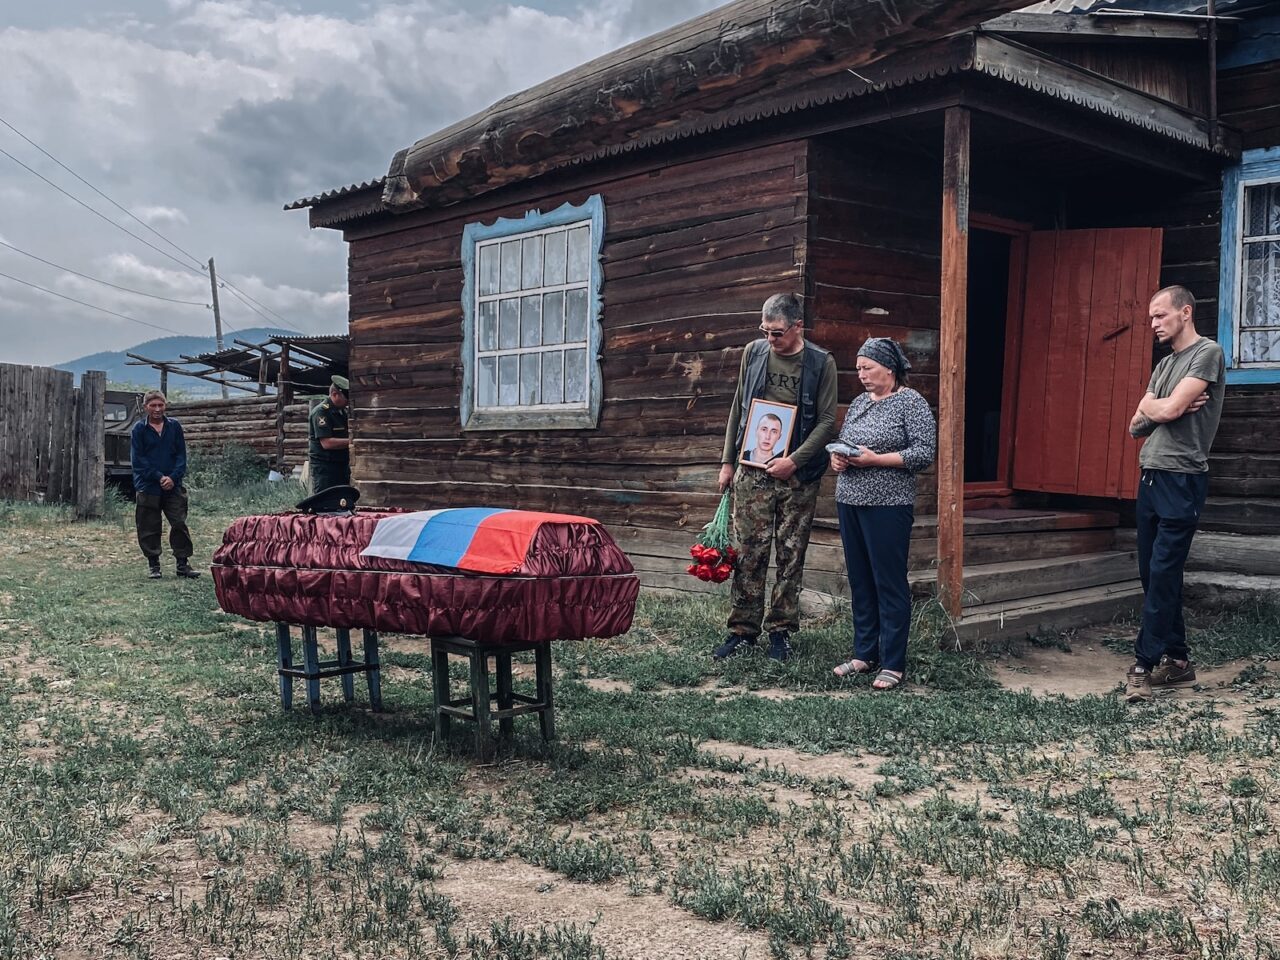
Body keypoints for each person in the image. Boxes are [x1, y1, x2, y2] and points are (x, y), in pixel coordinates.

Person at [714, 293, 838, 662]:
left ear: (798, 326)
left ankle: (780, 633)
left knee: (789, 554)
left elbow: (828, 422)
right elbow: (739, 404)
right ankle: (742, 631)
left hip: (797, 476)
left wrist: (795, 461)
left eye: (778, 333)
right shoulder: (753, 353)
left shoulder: (820, 362)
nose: (770, 339)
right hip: (751, 470)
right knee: (748, 552)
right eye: (765, 331)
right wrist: (727, 461)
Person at [1124, 285, 1224, 703]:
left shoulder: (1208, 353)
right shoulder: (1165, 364)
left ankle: (1143, 666)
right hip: (1150, 476)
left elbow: (1161, 412)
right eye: (1150, 318)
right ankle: (1179, 663)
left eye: (1160, 316)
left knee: (1164, 572)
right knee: (1153, 574)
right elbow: (1136, 425)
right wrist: (1157, 402)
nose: (1153, 324)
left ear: (1185, 311)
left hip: (1182, 479)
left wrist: (1156, 405)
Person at [830, 338, 936, 691]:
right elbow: (845, 442)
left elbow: (923, 454)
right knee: (860, 580)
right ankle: (864, 653)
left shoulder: (911, 403)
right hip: (850, 500)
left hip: (888, 505)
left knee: (888, 582)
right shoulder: (860, 402)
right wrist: (838, 459)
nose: (861, 375)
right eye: (859, 368)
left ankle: (892, 663)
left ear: (889, 368)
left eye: (868, 368)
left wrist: (875, 460)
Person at [130, 390, 200, 580]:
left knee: (179, 523)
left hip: (173, 485)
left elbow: (181, 456)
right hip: (148, 486)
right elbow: (138, 461)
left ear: (165, 405)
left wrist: (173, 477)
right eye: (153, 405)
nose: (157, 409)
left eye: (160, 405)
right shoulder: (139, 429)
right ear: (146, 407)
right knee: (149, 526)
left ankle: (182, 564)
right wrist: (160, 477)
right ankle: (154, 565)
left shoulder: (174, 426)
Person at [309, 375, 352, 493]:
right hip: (325, 467)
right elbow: (327, 443)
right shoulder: (321, 412)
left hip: (341, 465)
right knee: (325, 502)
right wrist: (353, 441)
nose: (348, 401)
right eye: (346, 397)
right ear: (335, 394)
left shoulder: (343, 412)